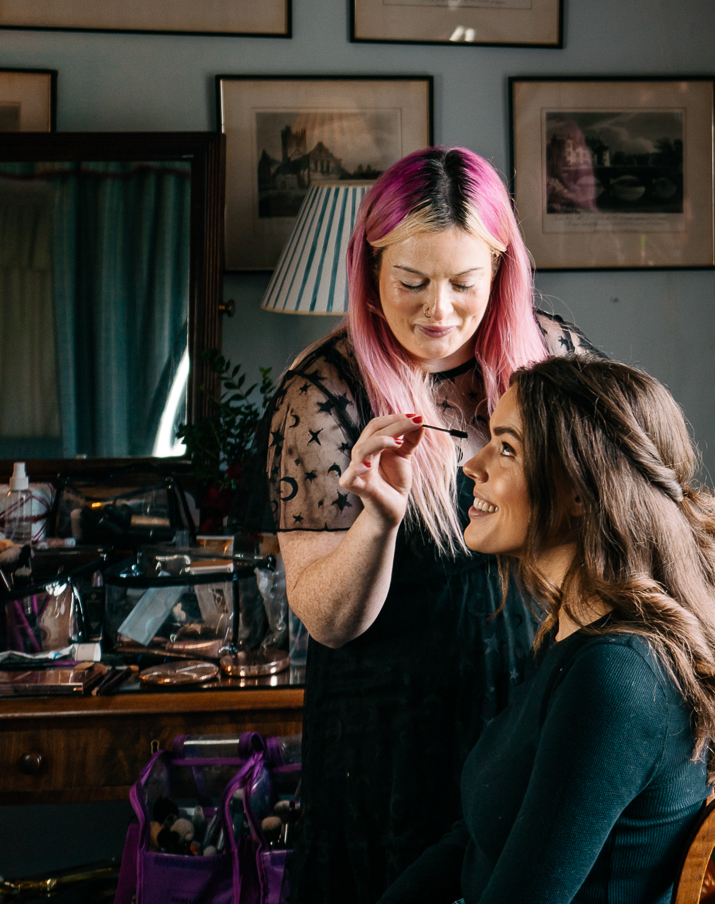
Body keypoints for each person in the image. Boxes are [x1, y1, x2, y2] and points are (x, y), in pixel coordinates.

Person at [269, 147, 596, 904]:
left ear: (501, 272)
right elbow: (328, 620)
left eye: (464, 284)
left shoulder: (553, 363)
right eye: (411, 283)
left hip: (528, 702)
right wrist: (379, 521)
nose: (437, 311)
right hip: (387, 736)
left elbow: (614, 534)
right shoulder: (324, 392)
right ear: (371, 272)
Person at [377, 355, 715, 904]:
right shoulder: (574, 633)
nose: (473, 465)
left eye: (507, 448)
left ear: (581, 494)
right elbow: (478, 840)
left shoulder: (617, 678)